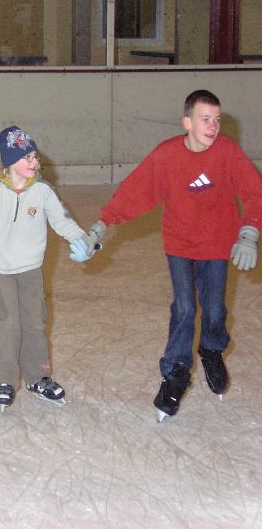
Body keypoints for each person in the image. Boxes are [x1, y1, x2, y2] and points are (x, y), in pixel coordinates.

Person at [73, 89, 262, 422]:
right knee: (186, 307)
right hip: (180, 245)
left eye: (217, 120)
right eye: (205, 119)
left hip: (217, 244)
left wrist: (249, 232)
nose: (213, 126)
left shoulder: (228, 152)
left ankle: (211, 348)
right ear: (187, 122)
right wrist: (99, 228)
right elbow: (133, 193)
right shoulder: (167, 156)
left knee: (215, 310)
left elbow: (254, 192)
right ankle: (176, 371)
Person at [0, 126, 88, 411]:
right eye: (27, 157)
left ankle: (38, 377)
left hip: (30, 268)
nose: (34, 162)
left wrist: (81, 239)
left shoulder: (43, 191)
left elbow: (62, 220)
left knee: (35, 321)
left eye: (35, 156)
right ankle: (5, 381)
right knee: (8, 322)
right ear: (10, 160)